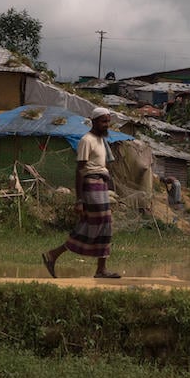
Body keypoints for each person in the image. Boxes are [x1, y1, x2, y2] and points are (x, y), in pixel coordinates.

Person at [42, 107, 121, 279]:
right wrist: (79, 200)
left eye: (108, 121)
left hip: (101, 184)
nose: (106, 125)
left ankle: (100, 269)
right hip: (91, 184)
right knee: (96, 223)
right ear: (94, 122)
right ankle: (53, 254)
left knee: (105, 224)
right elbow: (79, 170)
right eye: (103, 121)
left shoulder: (101, 141)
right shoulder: (87, 140)